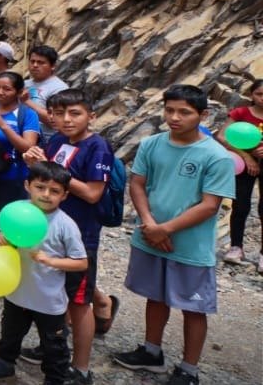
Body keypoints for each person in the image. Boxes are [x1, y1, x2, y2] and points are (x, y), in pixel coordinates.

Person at [112, 85, 235, 385]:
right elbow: (138, 184)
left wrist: (163, 229)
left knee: (193, 307)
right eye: (169, 110)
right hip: (149, 233)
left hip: (189, 245)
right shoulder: (152, 144)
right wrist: (149, 222)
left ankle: (189, 369)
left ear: (203, 115)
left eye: (184, 112)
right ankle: (151, 351)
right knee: (155, 296)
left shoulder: (216, 156)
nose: (175, 117)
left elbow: (209, 206)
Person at [22, 89, 114, 382]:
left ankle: (81, 367)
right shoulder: (58, 140)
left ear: (91, 116)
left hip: (80, 236)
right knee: (53, 293)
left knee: (78, 302)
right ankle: (52, 347)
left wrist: (58, 172)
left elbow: (91, 193)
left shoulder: (98, 147)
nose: (66, 119)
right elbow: (46, 181)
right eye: (59, 113)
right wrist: (33, 162)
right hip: (47, 231)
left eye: (75, 113)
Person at [0, 161, 87, 385]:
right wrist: (3, 242)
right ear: (27, 185)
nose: (46, 194)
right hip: (17, 291)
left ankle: (55, 378)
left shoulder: (66, 225)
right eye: (40, 187)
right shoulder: (18, 212)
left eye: (55, 191)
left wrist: (51, 260)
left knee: (53, 345)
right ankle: (5, 363)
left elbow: (82, 263)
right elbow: (10, 246)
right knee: (10, 334)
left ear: (64, 195)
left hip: (48, 299)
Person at [0, 71, 41, 247]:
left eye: (6, 89)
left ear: (18, 91)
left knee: (10, 225)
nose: (0, 92)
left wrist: (3, 125)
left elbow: (28, 147)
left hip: (15, 179)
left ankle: (13, 265)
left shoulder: (26, 114)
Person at [217, 79, 263, 270]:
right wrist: (247, 156)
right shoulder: (241, 113)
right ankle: (236, 248)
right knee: (241, 205)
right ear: (252, 94)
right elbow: (221, 136)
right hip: (244, 165)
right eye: (259, 94)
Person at [24, 45, 70, 133]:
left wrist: (27, 102)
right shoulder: (25, 84)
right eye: (32, 61)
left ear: (52, 66)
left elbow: (56, 121)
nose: (35, 65)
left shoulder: (59, 88)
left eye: (40, 62)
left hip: (46, 139)